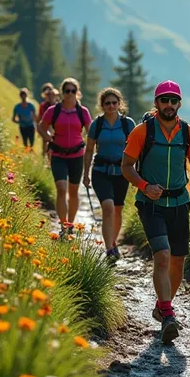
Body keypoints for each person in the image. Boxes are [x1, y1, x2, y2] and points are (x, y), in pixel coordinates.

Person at [122, 80, 190, 344]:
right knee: (162, 256)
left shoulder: (188, 133)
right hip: (151, 205)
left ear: (179, 104)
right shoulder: (142, 131)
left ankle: (162, 307)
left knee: (178, 262)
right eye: (164, 100)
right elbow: (126, 166)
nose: (169, 105)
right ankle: (169, 314)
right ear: (156, 103)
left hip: (180, 202)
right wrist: (144, 185)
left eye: (174, 100)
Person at [83, 88, 135, 260]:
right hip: (101, 172)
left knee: (118, 211)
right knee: (108, 207)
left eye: (114, 102)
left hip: (122, 173)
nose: (111, 106)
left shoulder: (128, 124)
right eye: (108, 103)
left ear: (119, 104)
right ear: (102, 105)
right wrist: (85, 173)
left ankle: (113, 243)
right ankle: (109, 249)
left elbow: (136, 150)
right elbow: (89, 150)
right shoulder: (96, 125)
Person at [37, 77, 92, 230]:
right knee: (61, 189)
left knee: (73, 191)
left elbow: (91, 132)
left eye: (73, 91)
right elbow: (41, 127)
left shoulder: (83, 112)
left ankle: (70, 224)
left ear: (77, 93)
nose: (70, 93)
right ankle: (63, 224)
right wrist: (48, 138)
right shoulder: (53, 110)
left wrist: (91, 148)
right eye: (67, 91)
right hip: (58, 155)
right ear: (62, 93)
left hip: (77, 155)